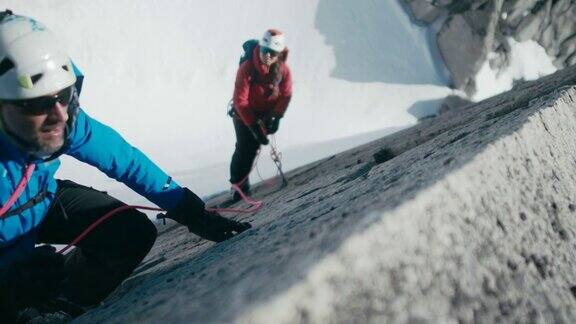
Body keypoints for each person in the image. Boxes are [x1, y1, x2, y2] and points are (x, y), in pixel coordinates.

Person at [0, 11, 251, 322]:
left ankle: (58, 300)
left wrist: (190, 211)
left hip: (38, 199)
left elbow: (124, 161)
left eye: (64, 97)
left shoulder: (60, 120)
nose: (59, 116)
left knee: (129, 233)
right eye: (36, 104)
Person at [228, 29, 293, 202]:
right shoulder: (247, 68)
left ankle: (242, 185)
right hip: (243, 116)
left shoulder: (282, 71)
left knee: (253, 148)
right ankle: (238, 186)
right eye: (265, 51)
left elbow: (286, 94)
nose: (268, 56)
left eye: (272, 53)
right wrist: (253, 124)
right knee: (244, 148)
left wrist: (277, 116)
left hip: (263, 116)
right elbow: (240, 101)